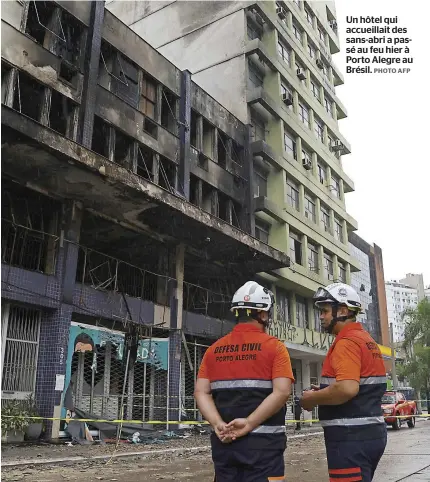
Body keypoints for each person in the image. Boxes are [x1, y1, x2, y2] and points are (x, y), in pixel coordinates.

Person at [194, 280, 295, 482]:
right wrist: (248, 424)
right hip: (264, 448)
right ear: (264, 314)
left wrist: (218, 424)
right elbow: (282, 392)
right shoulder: (275, 348)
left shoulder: (213, 350)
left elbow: (201, 392)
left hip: (225, 446)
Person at [300, 282, 387, 482]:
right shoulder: (365, 339)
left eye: (325, 311)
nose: (321, 316)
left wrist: (312, 398)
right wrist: (324, 391)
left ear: (344, 311)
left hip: (350, 437)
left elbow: (347, 388)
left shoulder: (346, 342)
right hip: (368, 432)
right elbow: (358, 384)